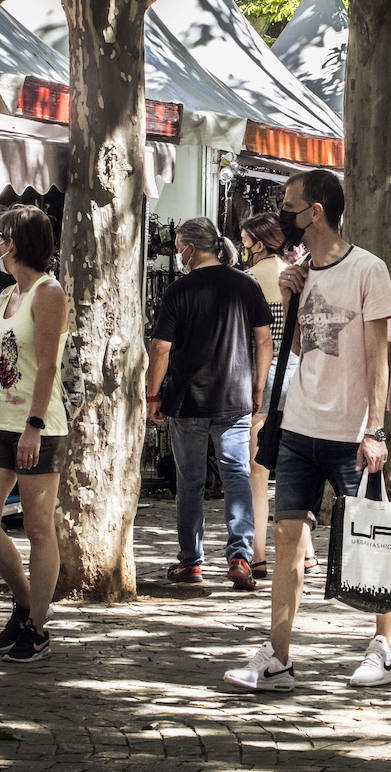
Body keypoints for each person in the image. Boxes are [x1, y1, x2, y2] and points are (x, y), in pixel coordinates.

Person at [224, 169, 391, 691]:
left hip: (350, 432)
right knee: (286, 539)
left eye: (289, 207)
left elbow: (377, 357)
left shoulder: (369, 269)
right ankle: (278, 656)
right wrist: (288, 292)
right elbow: (302, 348)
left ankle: (386, 647)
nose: (283, 216)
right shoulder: (300, 272)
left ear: (315, 211)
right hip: (300, 425)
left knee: (371, 540)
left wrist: (376, 429)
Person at [147, 218, 272, 591]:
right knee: (236, 474)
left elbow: (160, 348)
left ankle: (191, 562)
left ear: (189, 248)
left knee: (190, 481)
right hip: (234, 396)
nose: (177, 254)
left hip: (188, 399)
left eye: (178, 246)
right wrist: (258, 385)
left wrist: (153, 395)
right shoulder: (245, 284)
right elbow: (264, 340)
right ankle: (240, 557)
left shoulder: (178, 290)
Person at [0, 205, 70, 663]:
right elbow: (5, 367)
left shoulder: (48, 293)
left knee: (36, 526)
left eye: (1, 235)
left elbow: (47, 366)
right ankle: (26, 602)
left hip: (38, 426)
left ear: (17, 241)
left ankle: (37, 626)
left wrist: (33, 426)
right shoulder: (10, 293)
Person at [239, 212, 315, 578]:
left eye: (244, 239)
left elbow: (258, 339)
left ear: (257, 241)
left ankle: (257, 553)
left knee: (257, 470)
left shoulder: (253, 278)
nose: (242, 246)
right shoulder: (295, 272)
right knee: (291, 466)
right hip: (298, 373)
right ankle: (307, 550)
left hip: (265, 375)